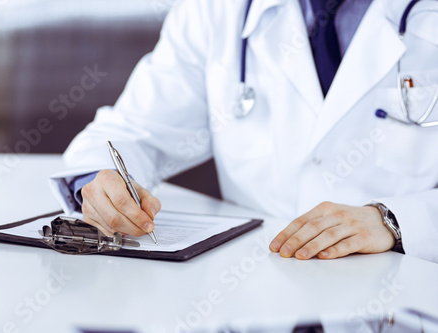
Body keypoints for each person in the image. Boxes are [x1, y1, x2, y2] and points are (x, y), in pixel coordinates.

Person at [50, 0, 438, 263]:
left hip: (409, 287)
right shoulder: (218, 10)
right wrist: (103, 184)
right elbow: (134, 130)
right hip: (258, 288)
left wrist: (397, 221)